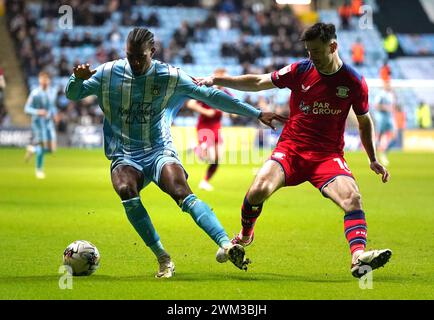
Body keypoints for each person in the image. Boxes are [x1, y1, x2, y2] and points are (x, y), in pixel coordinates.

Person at [65, 27, 285, 278]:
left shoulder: (169, 75)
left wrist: (256, 113)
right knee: (126, 189)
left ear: (153, 52)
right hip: (125, 154)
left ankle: (226, 244)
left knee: (180, 190)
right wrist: (77, 79)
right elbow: (73, 94)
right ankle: (163, 257)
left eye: (141, 56)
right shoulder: (108, 72)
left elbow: (211, 96)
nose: (135, 62)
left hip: (159, 149)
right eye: (130, 56)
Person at [200, 23, 392, 279]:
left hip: (327, 155)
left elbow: (365, 121)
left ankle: (358, 257)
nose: (310, 56)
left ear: (333, 47)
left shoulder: (354, 82)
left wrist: (373, 159)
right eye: (308, 51)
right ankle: (245, 236)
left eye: (316, 51)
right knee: (258, 190)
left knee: (352, 198)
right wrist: (217, 80)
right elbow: (258, 81)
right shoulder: (300, 69)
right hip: (291, 149)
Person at [186, 68, 229, 191]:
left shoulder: (226, 92)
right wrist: (206, 112)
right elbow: (190, 104)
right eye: (225, 77)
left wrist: (232, 112)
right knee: (208, 157)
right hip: (204, 125)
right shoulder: (207, 90)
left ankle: (205, 181)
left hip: (216, 126)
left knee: (217, 158)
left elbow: (234, 106)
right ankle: (196, 147)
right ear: (217, 77)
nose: (227, 79)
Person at [24, 71, 57, 179]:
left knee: (52, 149)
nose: (44, 81)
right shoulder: (35, 93)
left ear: (48, 81)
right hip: (38, 124)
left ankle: (33, 149)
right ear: (39, 80)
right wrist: (38, 112)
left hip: (48, 123)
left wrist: (55, 114)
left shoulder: (52, 92)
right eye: (42, 79)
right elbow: (27, 109)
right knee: (42, 147)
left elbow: (52, 107)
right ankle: (39, 170)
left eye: (46, 79)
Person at [374, 82, 397, 166]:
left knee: (395, 137)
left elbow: (392, 107)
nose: (390, 86)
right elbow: (376, 106)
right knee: (379, 137)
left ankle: (384, 153)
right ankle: (373, 157)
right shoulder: (381, 95)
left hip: (390, 118)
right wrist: (385, 107)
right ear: (385, 85)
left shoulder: (391, 95)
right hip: (382, 118)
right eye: (388, 84)